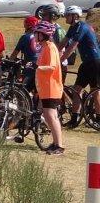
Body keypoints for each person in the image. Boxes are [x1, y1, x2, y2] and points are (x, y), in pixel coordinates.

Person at [61, 5, 100, 119]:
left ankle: (98, 117)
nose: (65, 17)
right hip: (86, 62)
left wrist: (60, 60)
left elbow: (72, 47)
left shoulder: (82, 27)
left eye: (67, 15)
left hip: (95, 61)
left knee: (95, 91)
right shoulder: (73, 27)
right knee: (77, 90)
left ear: (75, 16)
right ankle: (75, 117)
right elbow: (63, 43)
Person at [33, 20, 65, 155]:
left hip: (52, 87)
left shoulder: (50, 47)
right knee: (48, 115)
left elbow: (52, 67)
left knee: (51, 116)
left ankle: (60, 146)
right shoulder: (45, 47)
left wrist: (37, 67)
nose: (34, 35)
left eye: (36, 33)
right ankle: (55, 142)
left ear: (42, 34)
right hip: (46, 88)